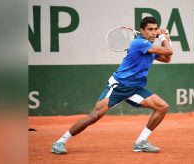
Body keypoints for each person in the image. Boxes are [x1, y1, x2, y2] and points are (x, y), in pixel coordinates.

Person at [52, 16, 173, 154]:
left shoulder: (150, 47)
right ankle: (60, 142)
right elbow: (169, 51)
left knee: (162, 107)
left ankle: (141, 142)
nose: (153, 32)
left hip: (135, 89)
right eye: (150, 29)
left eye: (155, 29)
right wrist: (163, 38)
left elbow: (167, 58)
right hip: (118, 87)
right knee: (94, 116)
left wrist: (167, 39)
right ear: (142, 31)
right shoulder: (139, 43)